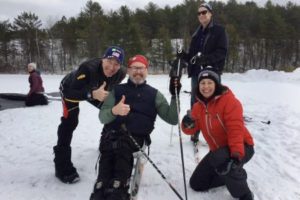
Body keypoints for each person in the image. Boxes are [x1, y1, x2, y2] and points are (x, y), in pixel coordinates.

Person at [90, 55, 181, 200]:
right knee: (108, 153)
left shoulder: (154, 94)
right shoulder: (116, 90)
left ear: (146, 70)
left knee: (122, 147)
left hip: (135, 138)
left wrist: (174, 96)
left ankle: (119, 189)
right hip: (111, 135)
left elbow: (172, 119)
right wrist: (114, 111)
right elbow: (102, 117)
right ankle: (100, 189)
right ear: (128, 71)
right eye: (134, 68)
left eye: (141, 68)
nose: (137, 71)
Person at [53, 46, 126, 184]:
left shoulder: (121, 73)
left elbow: (112, 88)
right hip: (71, 89)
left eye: (116, 64)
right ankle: (61, 165)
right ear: (102, 59)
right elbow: (70, 93)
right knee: (70, 122)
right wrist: (92, 94)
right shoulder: (87, 68)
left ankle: (106, 145)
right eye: (109, 61)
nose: (111, 67)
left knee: (113, 114)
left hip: (97, 91)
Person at [181, 69, 254, 200]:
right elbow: (190, 130)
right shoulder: (198, 107)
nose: (206, 87)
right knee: (196, 184)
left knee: (223, 161)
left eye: (210, 82)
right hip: (218, 152)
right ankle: (228, 176)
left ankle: (244, 194)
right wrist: (187, 123)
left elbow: (235, 130)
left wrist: (236, 157)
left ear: (217, 84)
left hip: (242, 146)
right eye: (203, 83)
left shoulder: (230, 102)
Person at [177, 2, 228, 142]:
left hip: (211, 73)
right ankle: (195, 130)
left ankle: (217, 133)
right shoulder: (196, 34)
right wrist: (183, 55)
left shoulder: (219, 30)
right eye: (199, 13)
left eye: (204, 12)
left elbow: (222, 52)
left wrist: (205, 60)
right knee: (196, 103)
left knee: (214, 103)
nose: (201, 15)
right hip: (196, 74)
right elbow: (193, 58)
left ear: (211, 13)